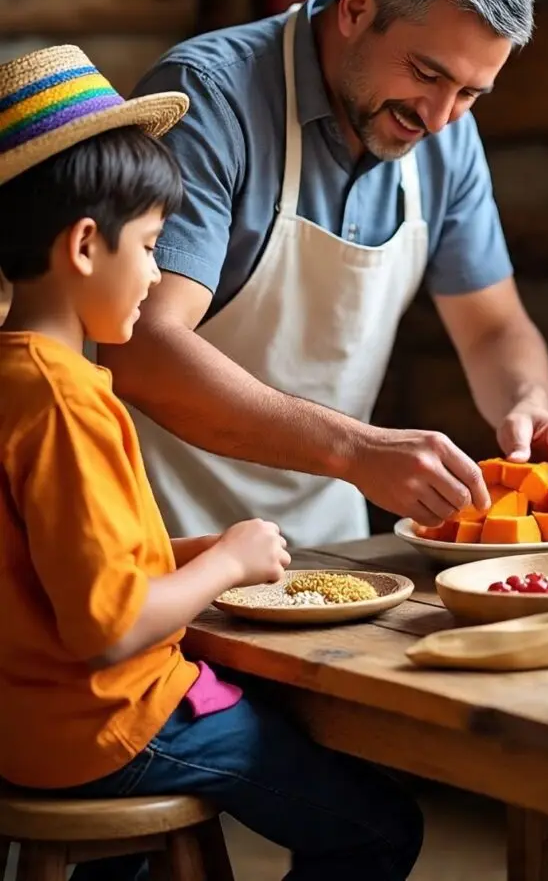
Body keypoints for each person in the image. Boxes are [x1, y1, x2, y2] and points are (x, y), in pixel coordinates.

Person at [0, 45, 423, 881]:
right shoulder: (66, 399)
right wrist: (229, 558)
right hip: (107, 723)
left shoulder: (17, 380)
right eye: (153, 247)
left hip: (26, 720)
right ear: (87, 245)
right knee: (379, 826)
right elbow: (108, 626)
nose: (159, 277)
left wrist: (198, 556)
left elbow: (62, 577)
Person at [98, 0, 548, 548]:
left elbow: (493, 326)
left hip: (333, 550)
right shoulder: (212, 98)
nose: (439, 118)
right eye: (428, 73)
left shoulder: (445, 135)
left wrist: (526, 403)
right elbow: (144, 349)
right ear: (355, 8)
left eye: (470, 94)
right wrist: (354, 451)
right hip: (165, 538)